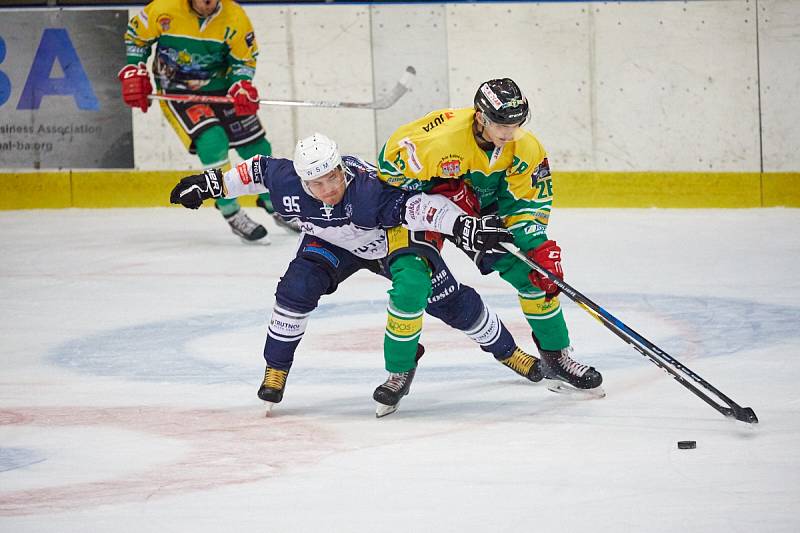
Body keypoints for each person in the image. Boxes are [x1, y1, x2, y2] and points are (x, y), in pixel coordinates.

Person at [171, 133, 563, 417]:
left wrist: (462, 226)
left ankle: (508, 352)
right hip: (330, 244)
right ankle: (276, 367)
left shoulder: (370, 190)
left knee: (447, 301)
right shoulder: (286, 180)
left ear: (342, 170)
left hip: (386, 241)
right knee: (296, 288)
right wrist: (206, 185)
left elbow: (420, 207)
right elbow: (254, 171)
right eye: (316, 183)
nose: (327, 190)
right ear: (302, 180)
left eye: (332, 178)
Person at [376, 78, 603, 394]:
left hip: (481, 211)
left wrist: (538, 245)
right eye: (501, 125)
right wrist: (437, 199)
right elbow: (388, 173)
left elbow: (528, 201)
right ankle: (398, 372)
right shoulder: (439, 142)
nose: (509, 133)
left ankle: (556, 357)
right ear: (480, 117)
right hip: (424, 209)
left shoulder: (525, 147)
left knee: (535, 275)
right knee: (411, 283)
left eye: (516, 124)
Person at [120, 0, 297, 243]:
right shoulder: (163, 8)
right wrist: (134, 68)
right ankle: (230, 210)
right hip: (178, 91)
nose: (207, 3)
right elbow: (136, 37)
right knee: (212, 141)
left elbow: (244, 60)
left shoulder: (235, 17)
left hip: (222, 88)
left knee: (256, 147)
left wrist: (241, 85)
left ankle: (273, 201)